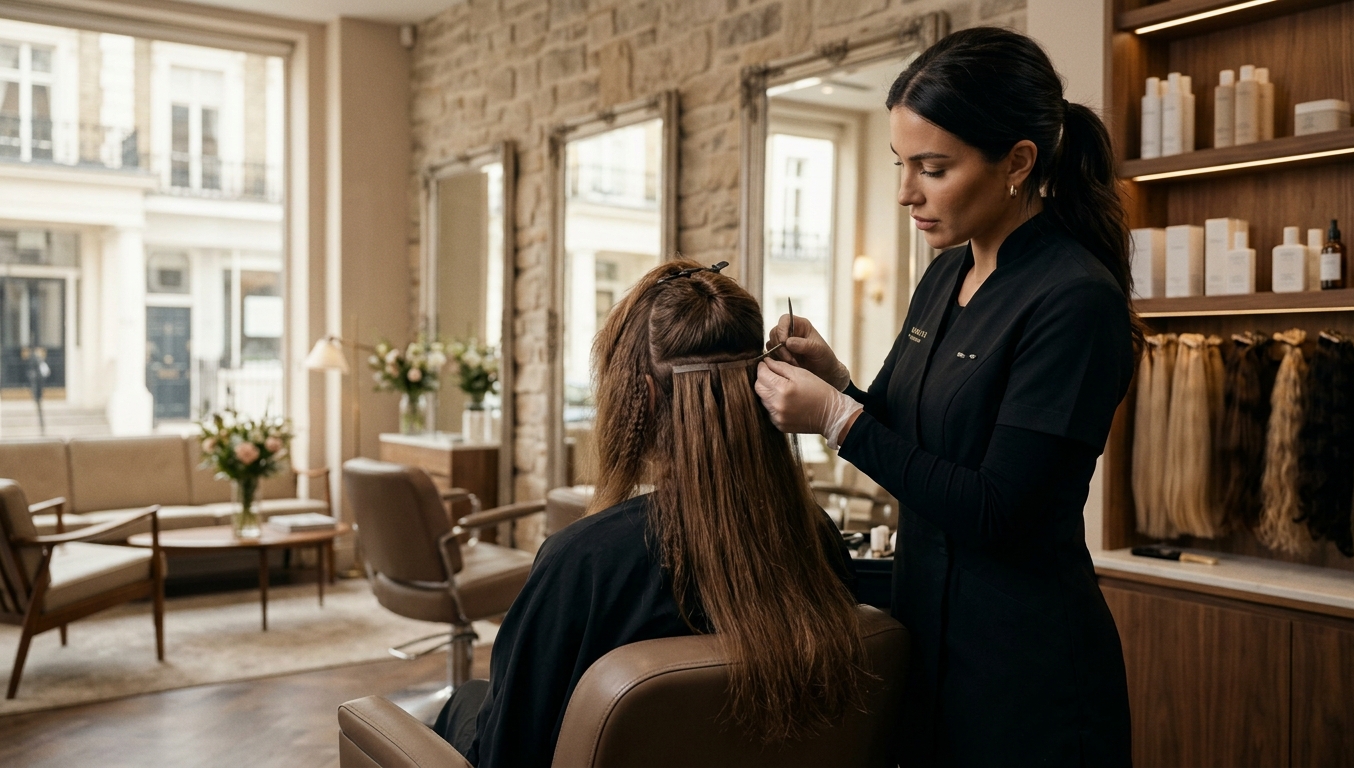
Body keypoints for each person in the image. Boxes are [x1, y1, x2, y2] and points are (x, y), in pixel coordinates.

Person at [753, 27, 1137, 767]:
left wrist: (836, 419)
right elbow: (916, 443)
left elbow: (997, 508)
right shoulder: (945, 275)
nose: (906, 193)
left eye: (933, 167)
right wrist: (837, 380)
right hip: (929, 640)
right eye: (902, 164)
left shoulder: (1073, 300)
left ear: (1018, 162)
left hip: (1026, 672)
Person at [434, 259, 866, 767]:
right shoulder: (816, 536)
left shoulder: (583, 564)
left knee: (463, 702)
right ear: (763, 390)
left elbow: (506, 753)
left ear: (646, 392)